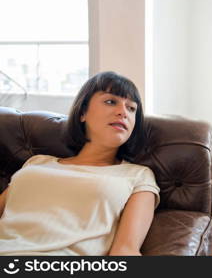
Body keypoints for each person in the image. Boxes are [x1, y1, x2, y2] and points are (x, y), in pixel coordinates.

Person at [0, 71, 160, 255]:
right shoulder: (37, 162)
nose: (123, 112)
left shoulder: (138, 176)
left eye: (132, 108)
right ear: (83, 112)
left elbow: (125, 251)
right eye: (111, 102)